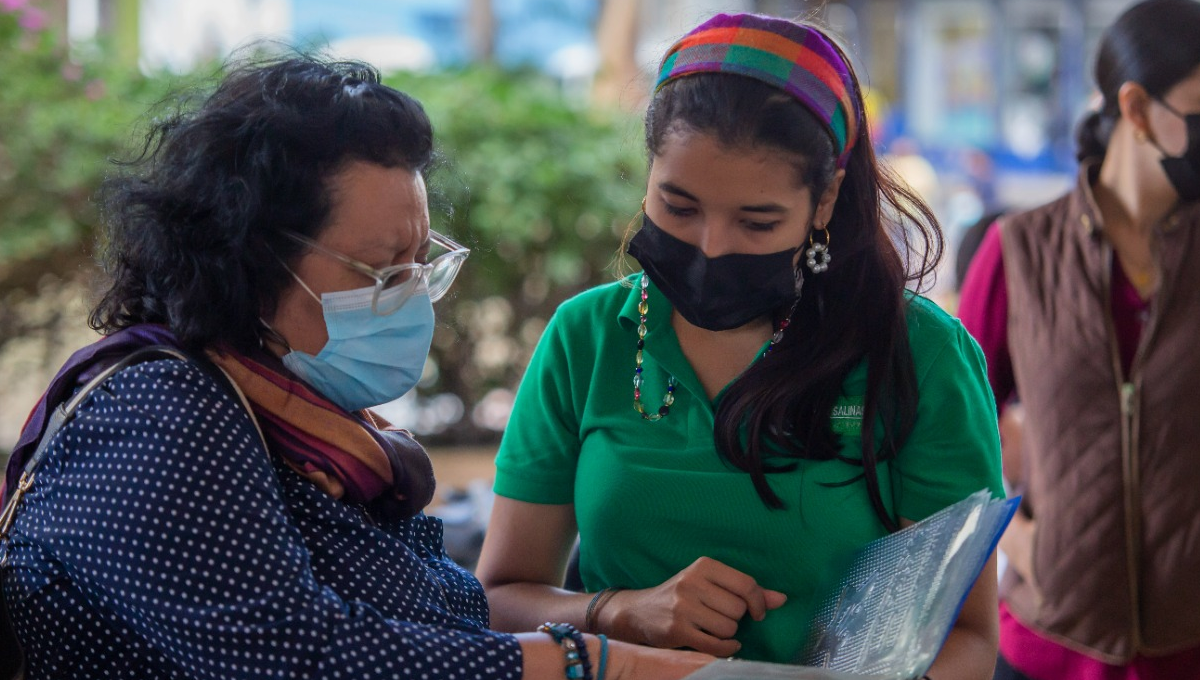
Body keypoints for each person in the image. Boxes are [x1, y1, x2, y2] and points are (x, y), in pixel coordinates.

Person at [0, 55, 711, 680]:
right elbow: (305, 658)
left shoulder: (301, 419)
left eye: (416, 264)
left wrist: (611, 619)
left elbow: (435, 619)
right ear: (250, 260)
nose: (407, 297)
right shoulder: (153, 414)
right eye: (377, 271)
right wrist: (597, 663)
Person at [477, 13, 1004, 679]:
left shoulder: (917, 353)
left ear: (825, 200)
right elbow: (497, 598)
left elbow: (967, 638)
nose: (711, 247)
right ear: (648, 175)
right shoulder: (587, 338)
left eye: (757, 222)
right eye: (678, 207)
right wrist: (619, 610)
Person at [956, 1, 1200, 678]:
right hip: (1042, 649)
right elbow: (949, 430)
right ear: (1138, 109)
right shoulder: (1020, 253)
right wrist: (1022, 538)